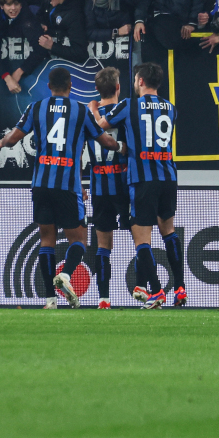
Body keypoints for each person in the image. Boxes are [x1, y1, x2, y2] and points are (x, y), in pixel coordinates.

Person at [0, 67, 120, 309]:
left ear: (49, 86)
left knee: (46, 241)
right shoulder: (81, 110)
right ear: (71, 85)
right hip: (67, 185)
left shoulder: (36, 108)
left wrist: (1, 141)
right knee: (79, 241)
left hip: (41, 184)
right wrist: (120, 147)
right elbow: (104, 140)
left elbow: (12, 139)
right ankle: (66, 274)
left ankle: (50, 300)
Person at [90, 62, 183, 308]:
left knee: (141, 238)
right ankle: (181, 288)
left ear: (140, 81)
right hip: (169, 177)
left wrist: (95, 111)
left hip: (142, 179)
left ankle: (156, 291)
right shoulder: (170, 108)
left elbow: (101, 128)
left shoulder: (130, 105)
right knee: (169, 232)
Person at [84, 67, 129, 309]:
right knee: (140, 238)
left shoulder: (88, 114)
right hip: (123, 184)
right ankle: (148, 289)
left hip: (98, 185)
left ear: (97, 89)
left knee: (103, 246)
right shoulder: (126, 111)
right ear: (118, 87)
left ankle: (103, 299)